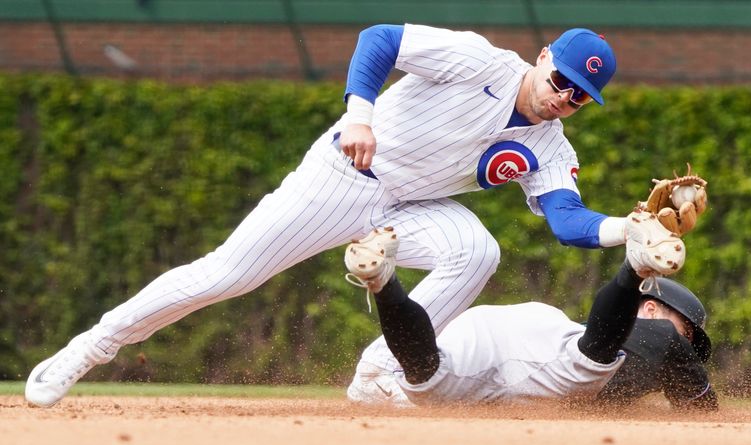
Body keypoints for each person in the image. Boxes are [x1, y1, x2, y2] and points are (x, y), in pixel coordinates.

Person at [27, 24, 626, 408]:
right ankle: (91, 346)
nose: (564, 97)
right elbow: (379, 39)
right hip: (343, 177)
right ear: (543, 56)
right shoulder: (479, 61)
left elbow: (566, 220)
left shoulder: (552, 147)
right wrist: (360, 114)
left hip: (411, 207)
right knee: (226, 276)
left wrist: (631, 230)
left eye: (580, 96)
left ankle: (377, 372)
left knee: (477, 252)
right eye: (561, 80)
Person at [342, 217, 717, 410]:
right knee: (589, 362)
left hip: (489, 346)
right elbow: (667, 340)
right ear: (650, 308)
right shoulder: (655, 335)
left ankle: (383, 281)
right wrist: (703, 407)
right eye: (688, 332)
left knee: (428, 378)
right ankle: (634, 268)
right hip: (535, 350)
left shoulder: (627, 372)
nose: (686, 345)